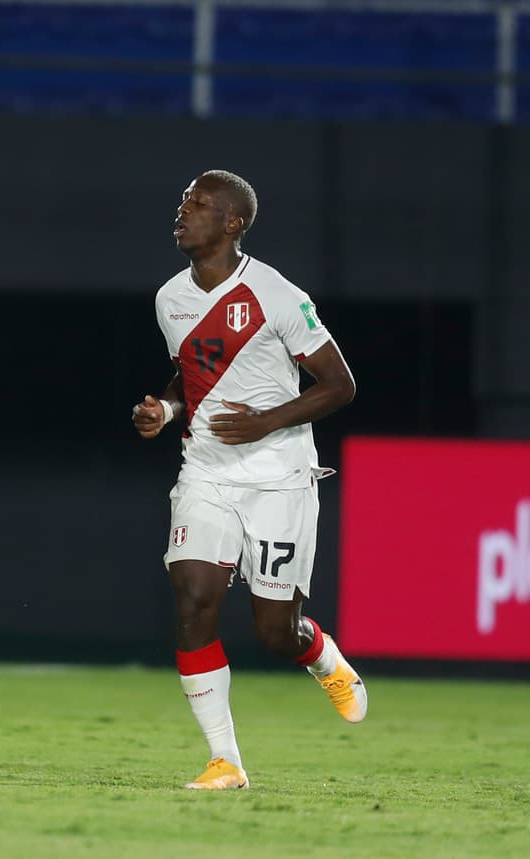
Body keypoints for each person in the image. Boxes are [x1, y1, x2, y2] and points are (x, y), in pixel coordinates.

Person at [132, 170, 365, 790]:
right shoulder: (169, 298)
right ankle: (224, 760)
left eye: (200, 203)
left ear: (233, 223)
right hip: (205, 470)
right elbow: (192, 375)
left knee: (274, 632)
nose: (184, 210)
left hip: (279, 478)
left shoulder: (276, 295)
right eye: (184, 199)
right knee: (193, 602)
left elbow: (340, 386)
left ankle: (320, 654)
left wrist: (266, 422)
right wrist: (166, 410)